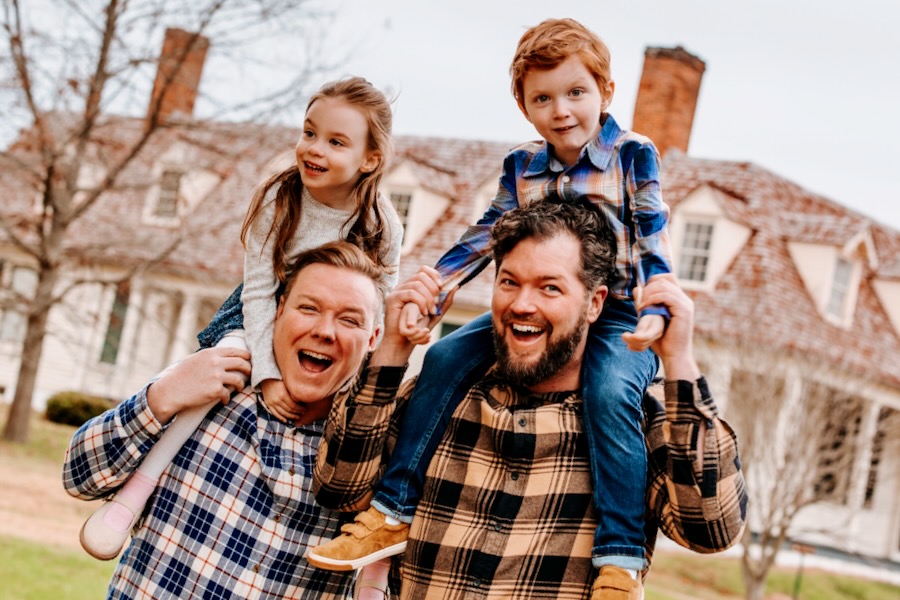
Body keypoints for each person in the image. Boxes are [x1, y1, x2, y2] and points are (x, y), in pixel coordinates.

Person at [309, 17, 675, 591]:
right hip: (534, 305)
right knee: (447, 357)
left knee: (609, 393)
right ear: (525, 107)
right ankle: (393, 510)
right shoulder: (523, 165)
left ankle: (620, 558)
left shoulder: (632, 154)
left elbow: (652, 230)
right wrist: (438, 284)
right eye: (543, 98)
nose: (561, 110)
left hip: (620, 313)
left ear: (605, 91)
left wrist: (659, 306)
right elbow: (487, 234)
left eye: (576, 93)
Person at [309, 202, 746, 599]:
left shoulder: (632, 428)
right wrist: (393, 351)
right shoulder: (439, 398)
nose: (522, 304)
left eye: (549, 288)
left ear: (594, 304)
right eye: (509, 282)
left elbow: (711, 530)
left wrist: (681, 362)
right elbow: (338, 488)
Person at [77, 76, 404, 561]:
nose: (314, 148)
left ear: (369, 159)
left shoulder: (380, 222)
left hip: (332, 329)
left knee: (380, 423)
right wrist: (268, 373)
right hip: (258, 309)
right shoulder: (281, 198)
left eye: (336, 142)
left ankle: (372, 559)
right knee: (219, 365)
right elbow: (256, 290)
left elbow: (378, 299)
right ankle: (137, 489)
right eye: (309, 133)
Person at [63, 242, 389, 599]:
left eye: (349, 319)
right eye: (309, 308)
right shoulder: (205, 390)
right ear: (278, 311)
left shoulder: (371, 452)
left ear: (373, 338)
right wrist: (163, 395)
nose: (325, 331)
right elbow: (80, 478)